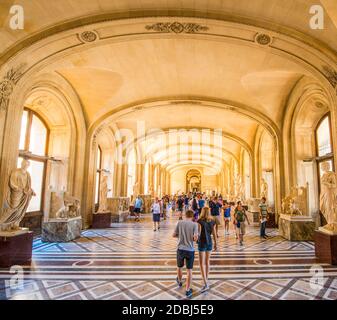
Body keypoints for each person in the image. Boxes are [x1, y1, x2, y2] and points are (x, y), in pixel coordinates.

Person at [173, 210, 198, 298]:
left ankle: (179, 281)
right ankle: (187, 290)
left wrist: (181, 236)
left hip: (180, 249)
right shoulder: (195, 224)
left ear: (185, 215)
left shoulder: (179, 223)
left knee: (179, 267)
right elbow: (195, 239)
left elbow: (173, 235)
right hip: (190, 250)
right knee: (189, 270)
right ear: (192, 216)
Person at [197, 207, 217, 292]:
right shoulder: (212, 221)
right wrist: (216, 243)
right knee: (207, 261)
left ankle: (205, 283)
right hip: (209, 242)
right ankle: (206, 278)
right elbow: (214, 233)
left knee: (201, 263)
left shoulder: (199, 221)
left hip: (202, 242)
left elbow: (198, 233)